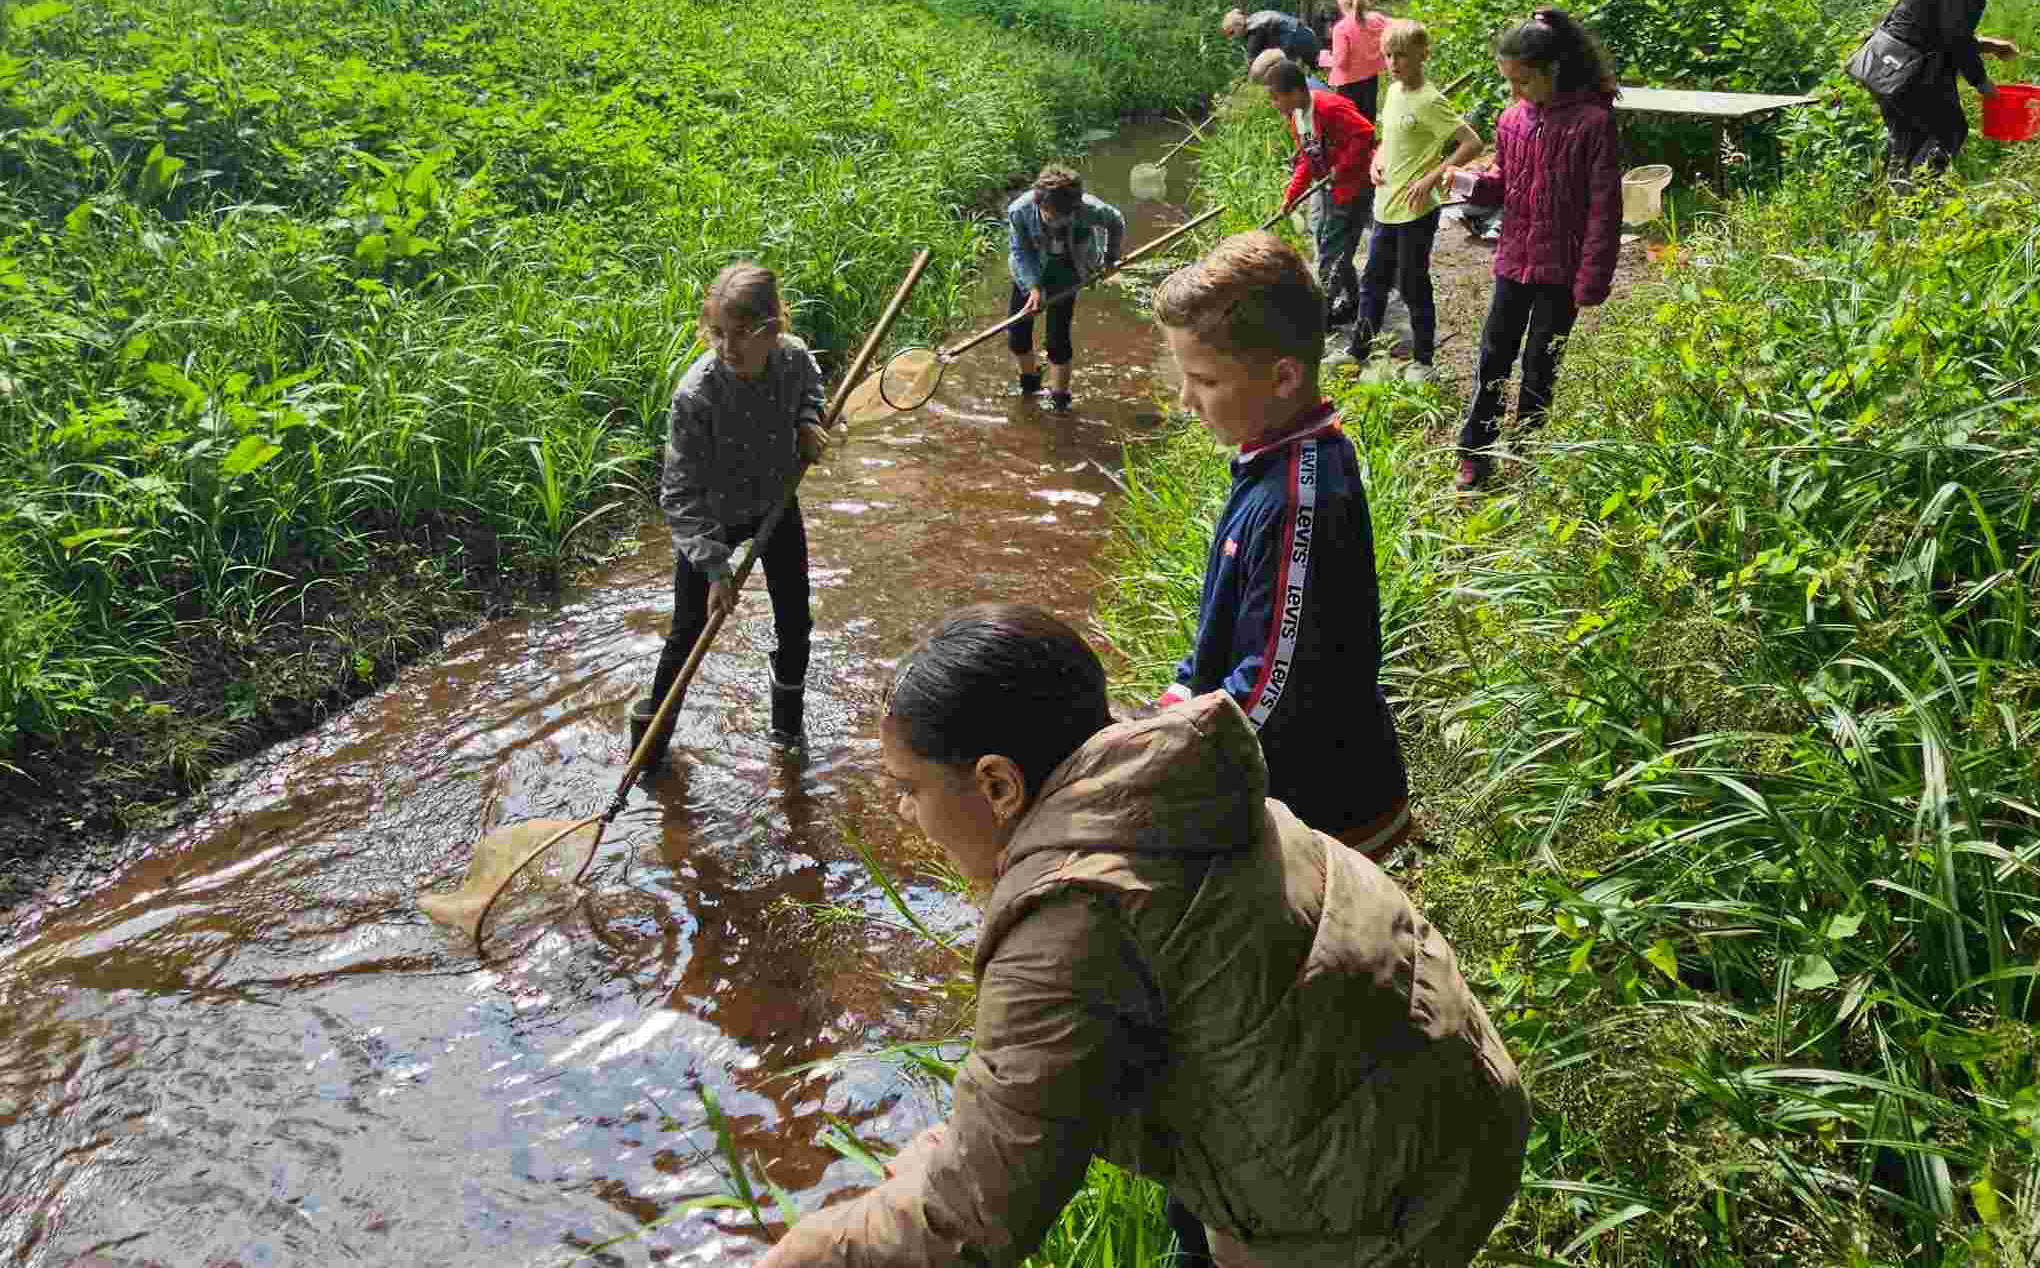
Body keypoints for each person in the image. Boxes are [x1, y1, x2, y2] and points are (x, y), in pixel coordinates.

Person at [760, 604, 1527, 1268]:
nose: (902, 815)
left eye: (907, 788)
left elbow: (971, 1218)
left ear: (998, 784)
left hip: (1389, 1197)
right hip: (1445, 1081)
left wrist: (802, 1253)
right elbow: (1019, 1106)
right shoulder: (1157, 780)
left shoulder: (1073, 921)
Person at [1143, 231, 1412, 863]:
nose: (1187, 401)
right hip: (1284, 791)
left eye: (1203, 381)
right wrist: (1172, 704)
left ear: (1284, 376)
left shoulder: (1298, 498)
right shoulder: (1271, 462)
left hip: (1323, 815)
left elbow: (1269, 688)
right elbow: (1227, 636)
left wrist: (1155, 754)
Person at [642, 262, 835, 756]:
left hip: (775, 505)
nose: (727, 348)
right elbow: (679, 493)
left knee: (795, 620)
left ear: (773, 329)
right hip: (712, 515)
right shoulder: (697, 394)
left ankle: (787, 732)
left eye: (740, 335)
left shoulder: (792, 360)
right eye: (717, 334)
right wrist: (714, 568)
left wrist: (809, 421)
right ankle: (649, 751)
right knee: (688, 630)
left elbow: (812, 391)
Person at [1455, 8, 1620, 492]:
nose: (1515, 92)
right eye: (1509, 80)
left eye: (1523, 80)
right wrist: (1474, 184)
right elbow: (1505, 182)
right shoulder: (1512, 119)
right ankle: (1476, 452)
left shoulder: (1593, 123)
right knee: (1492, 355)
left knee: (1540, 363)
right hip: (1514, 260)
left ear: (1553, 70)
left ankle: (1525, 453)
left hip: (1561, 271)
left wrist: (1592, 276)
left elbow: (1604, 208)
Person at [1348, 20, 1468, 374]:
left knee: (1413, 284)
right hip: (1386, 203)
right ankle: (1357, 352)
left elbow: (1470, 142)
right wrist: (1376, 159)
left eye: (1401, 55)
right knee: (1372, 281)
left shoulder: (1430, 99)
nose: (1393, 63)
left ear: (1422, 55)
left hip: (1417, 209)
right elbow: (1388, 139)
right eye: (1388, 56)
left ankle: (1423, 361)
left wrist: (1432, 178)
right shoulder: (1394, 92)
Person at [1853, 0, 2025, 178]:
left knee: (1906, 138)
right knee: (1949, 130)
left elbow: (1939, 28)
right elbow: (1955, 38)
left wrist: (1992, 46)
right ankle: (1921, 199)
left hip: (1884, 61)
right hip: (1909, 67)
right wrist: (1982, 83)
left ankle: (1887, 199)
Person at [1254, 51, 1375, 335]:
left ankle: (1320, 315)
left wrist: (1342, 167)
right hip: (1331, 189)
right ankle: (1354, 303)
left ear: (1295, 92)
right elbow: (1308, 160)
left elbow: (1365, 133)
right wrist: (1291, 195)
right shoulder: (1297, 119)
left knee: (1330, 252)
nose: (1274, 104)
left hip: (1352, 187)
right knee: (1327, 242)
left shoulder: (1329, 106)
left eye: (1276, 98)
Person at [1003, 163, 1127, 411]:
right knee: (1017, 333)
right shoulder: (1019, 211)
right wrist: (1034, 288)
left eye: (1066, 217)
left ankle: (1060, 397)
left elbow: (1116, 222)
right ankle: (1030, 383)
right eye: (1053, 217)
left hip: (1069, 271)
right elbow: (1021, 251)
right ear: (1039, 205)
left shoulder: (1090, 209)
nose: (1059, 222)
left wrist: (1111, 258)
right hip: (1030, 270)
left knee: (1057, 338)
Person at [1320, 0, 1393, 119]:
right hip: (1371, 78)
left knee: (1349, 121)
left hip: (1348, 85)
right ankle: (1370, 141)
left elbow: (1341, 62)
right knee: (1368, 118)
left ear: (1342, 3)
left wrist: (1324, 58)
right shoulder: (1377, 19)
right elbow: (1396, 29)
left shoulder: (1341, 29)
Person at [1218, 6, 1320, 83]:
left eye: (1231, 33)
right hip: (1303, 36)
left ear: (1238, 25)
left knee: (1313, 75)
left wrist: (1241, 79)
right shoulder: (1255, 20)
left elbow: (1251, 63)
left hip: (1300, 41)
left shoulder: (1255, 30)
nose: (1232, 38)